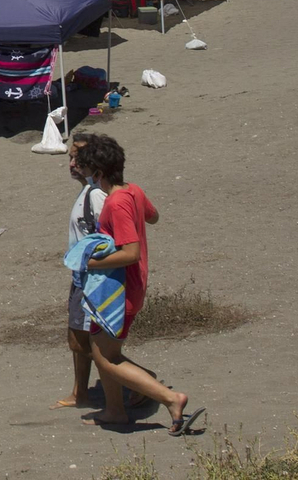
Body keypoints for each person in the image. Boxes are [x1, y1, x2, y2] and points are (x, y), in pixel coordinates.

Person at [77, 134, 198, 435]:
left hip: (119, 291)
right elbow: (153, 217)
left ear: (99, 172)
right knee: (104, 351)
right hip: (133, 286)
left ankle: (170, 398)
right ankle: (115, 411)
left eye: (88, 171)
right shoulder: (134, 191)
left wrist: (89, 263)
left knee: (105, 357)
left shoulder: (116, 203)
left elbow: (130, 253)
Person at [56, 134, 108, 411]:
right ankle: (81, 393)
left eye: (77, 159)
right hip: (80, 276)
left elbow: (110, 238)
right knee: (79, 338)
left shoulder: (96, 196)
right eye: (70, 158)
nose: (71, 164)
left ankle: (139, 383)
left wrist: (91, 266)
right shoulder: (87, 192)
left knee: (82, 342)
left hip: (91, 279)